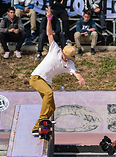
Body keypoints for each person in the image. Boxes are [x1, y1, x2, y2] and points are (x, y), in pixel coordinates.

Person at [30, 6, 85, 136]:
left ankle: (36, 127)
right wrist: (49, 19)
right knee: (49, 94)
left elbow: (76, 73)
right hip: (36, 78)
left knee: (52, 107)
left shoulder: (70, 63)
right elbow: (49, 34)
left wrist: (80, 78)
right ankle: (43, 120)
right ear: (63, 54)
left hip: (46, 81)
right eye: (67, 58)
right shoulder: (55, 49)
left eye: (70, 59)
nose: (68, 60)